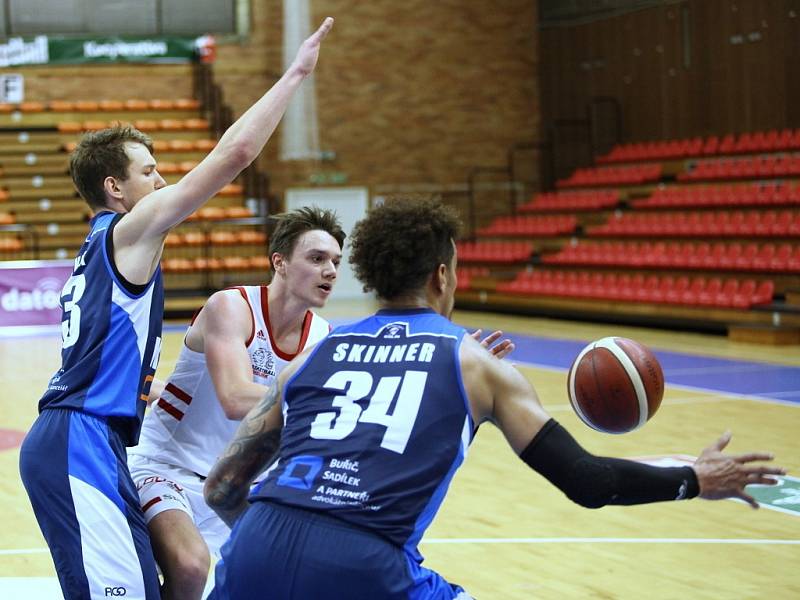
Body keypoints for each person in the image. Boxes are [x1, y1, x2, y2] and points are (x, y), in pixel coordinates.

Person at [202, 198, 785, 600]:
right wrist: (693, 479)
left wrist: (274, 546)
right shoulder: (476, 365)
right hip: (365, 563)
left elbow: (222, 487)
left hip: (256, 545)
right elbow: (586, 481)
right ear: (441, 275)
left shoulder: (315, 354)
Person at [18, 17, 335, 600]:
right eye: (148, 170)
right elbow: (235, 153)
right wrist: (295, 74)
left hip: (96, 438)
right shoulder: (130, 231)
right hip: (78, 439)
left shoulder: (99, 248)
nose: (162, 178)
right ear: (116, 188)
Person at [127, 206, 345, 600]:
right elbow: (235, 397)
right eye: (316, 259)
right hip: (168, 466)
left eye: (335, 262)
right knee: (191, 565)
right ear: (279, 262)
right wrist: (328, 403)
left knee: (295, 570)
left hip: (235, 480)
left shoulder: (322, 336)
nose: (330, 270)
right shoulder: (231, 306)